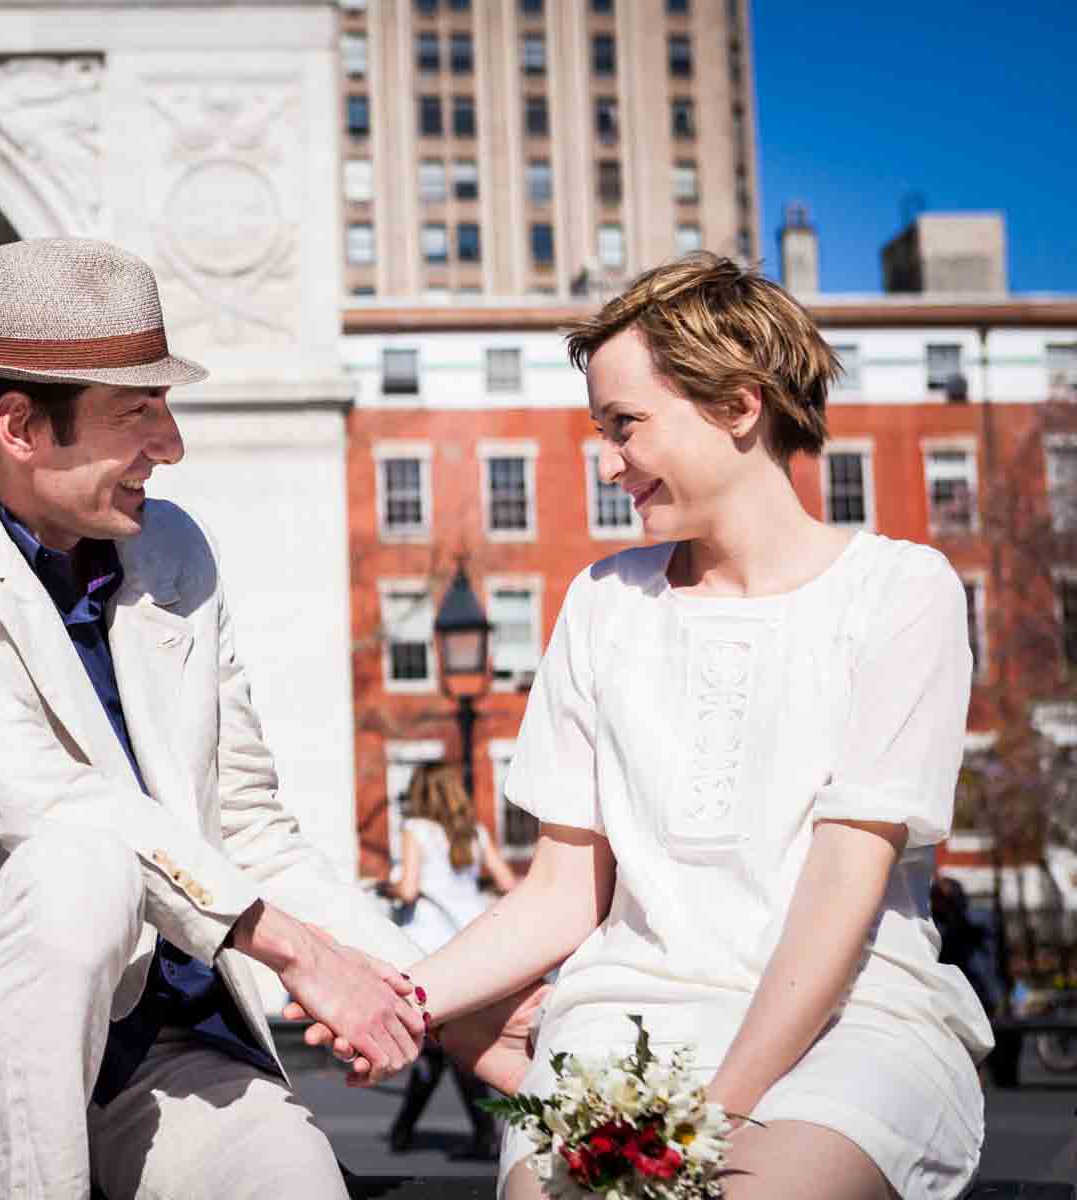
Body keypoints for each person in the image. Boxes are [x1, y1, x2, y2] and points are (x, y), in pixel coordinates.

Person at [0, 237, 542, 1199]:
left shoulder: (176, 554)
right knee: (80, 858)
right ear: (21, 425)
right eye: (138, 412)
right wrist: (296, 950)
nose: (172, 445)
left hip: (174, 1048)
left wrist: (431, 998)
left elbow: (246, 824)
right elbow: (35, 796)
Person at [295, 254, 994, 1200]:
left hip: (848, 1023)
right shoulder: (603, 603)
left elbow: (842, 887)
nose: (609, 460)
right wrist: (404, 1000)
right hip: (625, 1016)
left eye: (625, 426)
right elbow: (562, 892)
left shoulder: (900, 593)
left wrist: (711, 1113)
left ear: (739, 406)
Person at [384, 762, 518, 1159]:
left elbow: (407, 891)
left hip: (428, 949)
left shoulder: (416, 830)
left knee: (445, 1041)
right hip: (470, 945)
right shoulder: (474, 833)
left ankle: (476, 1133)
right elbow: (508, 883)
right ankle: (409, 1131)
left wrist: (388, 887)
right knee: (443, 1039)